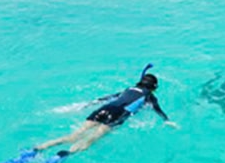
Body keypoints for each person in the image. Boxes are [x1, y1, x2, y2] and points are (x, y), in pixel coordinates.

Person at [34, 65, 178, 158]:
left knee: (74, 135)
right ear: (154, 87)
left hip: (103, 109)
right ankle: (66, 154)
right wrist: (167, 121)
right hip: (116, 115)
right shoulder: (149, 96)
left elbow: (106, 98)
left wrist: (87, 105)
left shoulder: (128, 89)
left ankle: (40, 147)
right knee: (90, 140)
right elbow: (158, 111)